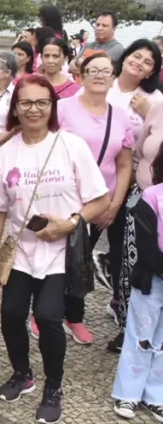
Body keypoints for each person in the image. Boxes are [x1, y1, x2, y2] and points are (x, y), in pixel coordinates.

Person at [0, 74, 109, 424]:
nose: (34, 109)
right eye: (26, 102)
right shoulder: (5, 154)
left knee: (50, 316)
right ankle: (22, 373)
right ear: (15, 108)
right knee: (10, 314)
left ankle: (54, 386)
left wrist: (70, 222)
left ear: (52, 107)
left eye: (42, 102)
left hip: (59, 253)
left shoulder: (71, 146)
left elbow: (101, 199)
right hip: (21, 252)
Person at [53, 53, 134, 346]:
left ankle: (74, 316)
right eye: (93, 70)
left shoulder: (121, 115)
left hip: (101, 201)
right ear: (81, 76)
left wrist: (114, 203)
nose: (99, 76)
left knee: (81, 259)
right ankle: (45, 312)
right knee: (56, 256)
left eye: (106, 71)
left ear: (113, 77)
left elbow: (125, 164)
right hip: (64, 197)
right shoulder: (63, 108)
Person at [111, 145, 163, 421]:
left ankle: (156, 394)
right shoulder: (151, 197)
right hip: (151, 278)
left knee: (162, 340)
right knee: (140, 335)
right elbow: (145, 242)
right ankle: (128, 393)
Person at [109, 39, 163, 134]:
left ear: (151, 72)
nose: (139, 63)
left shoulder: (155, 98)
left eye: (147, 62)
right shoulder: (102, 82)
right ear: (125, 57)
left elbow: (159, 137)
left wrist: (148, 114)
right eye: (137, 57)